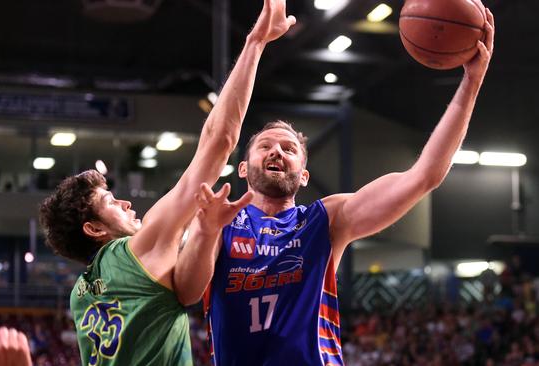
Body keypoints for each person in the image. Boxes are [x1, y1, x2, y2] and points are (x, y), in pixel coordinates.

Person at [173, 8, 496, 365]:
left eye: (289, 149)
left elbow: (425, 175)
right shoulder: (219, 222)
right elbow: (187, 292)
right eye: (266, 146)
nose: (277, 151)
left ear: (304, 175)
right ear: (244, 170)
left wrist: (471, 81)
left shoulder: (326, 220)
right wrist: (204, 229)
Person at [37, 0, 295, 364]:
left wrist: (204, 232)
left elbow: (186, 292)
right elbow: (218, 140)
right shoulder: (134, 253)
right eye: (111, 202)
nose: (126, 203)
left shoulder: (81, 294)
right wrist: (255, 42)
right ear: (94, 228)